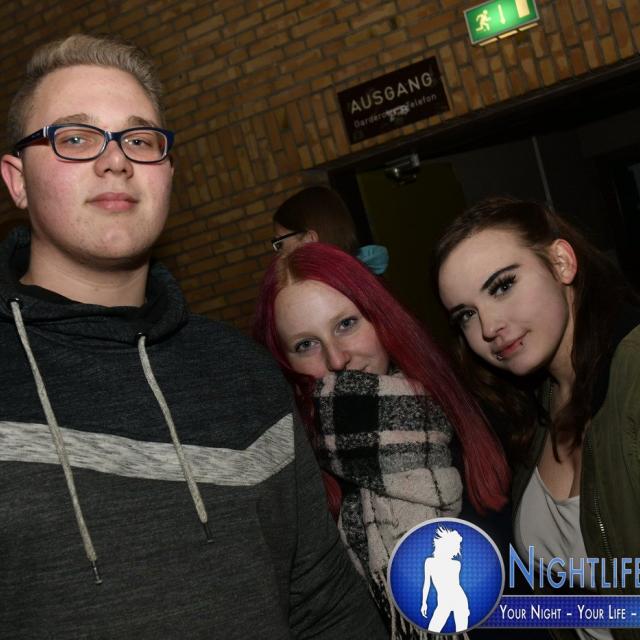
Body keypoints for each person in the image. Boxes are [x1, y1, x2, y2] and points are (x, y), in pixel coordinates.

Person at [0, 34, 387, 639]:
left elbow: (323, 602)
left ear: (168, 172)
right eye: (74, 138)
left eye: (139, 140)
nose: (115, 161)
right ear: (17, 179)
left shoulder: (246, 375)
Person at [253, 241, 511, 639]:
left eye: (346, 324)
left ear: (381, 318)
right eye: (306, 345)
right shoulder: (297, 477)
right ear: (285, 363)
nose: (337, 359)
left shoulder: (478, 409)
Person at [436, 197, 640, 640]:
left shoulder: (634, 378)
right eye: (466, 315)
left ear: (561, 262)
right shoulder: (533, 408)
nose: (488, 327)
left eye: (502, 286)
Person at [272, 185, 389, 274]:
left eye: (280, 243)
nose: (278, 255)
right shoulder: (358, 274)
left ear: (309, 239)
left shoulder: (319, 290)